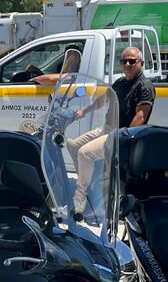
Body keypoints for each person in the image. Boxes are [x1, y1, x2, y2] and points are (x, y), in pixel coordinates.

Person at [66, 46, 155, 221]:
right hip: (107, 128)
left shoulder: (144, 86)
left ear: (141, 63)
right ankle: (91, 185)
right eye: (124, 61)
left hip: (121, 134)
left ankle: (81, 202)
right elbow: (104, 98)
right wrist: (84, 111)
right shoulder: (120, 83)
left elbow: (140, 116)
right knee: (73, 145)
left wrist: (123, 138)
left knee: (85, 153)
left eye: (132, 61)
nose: (127, 64)